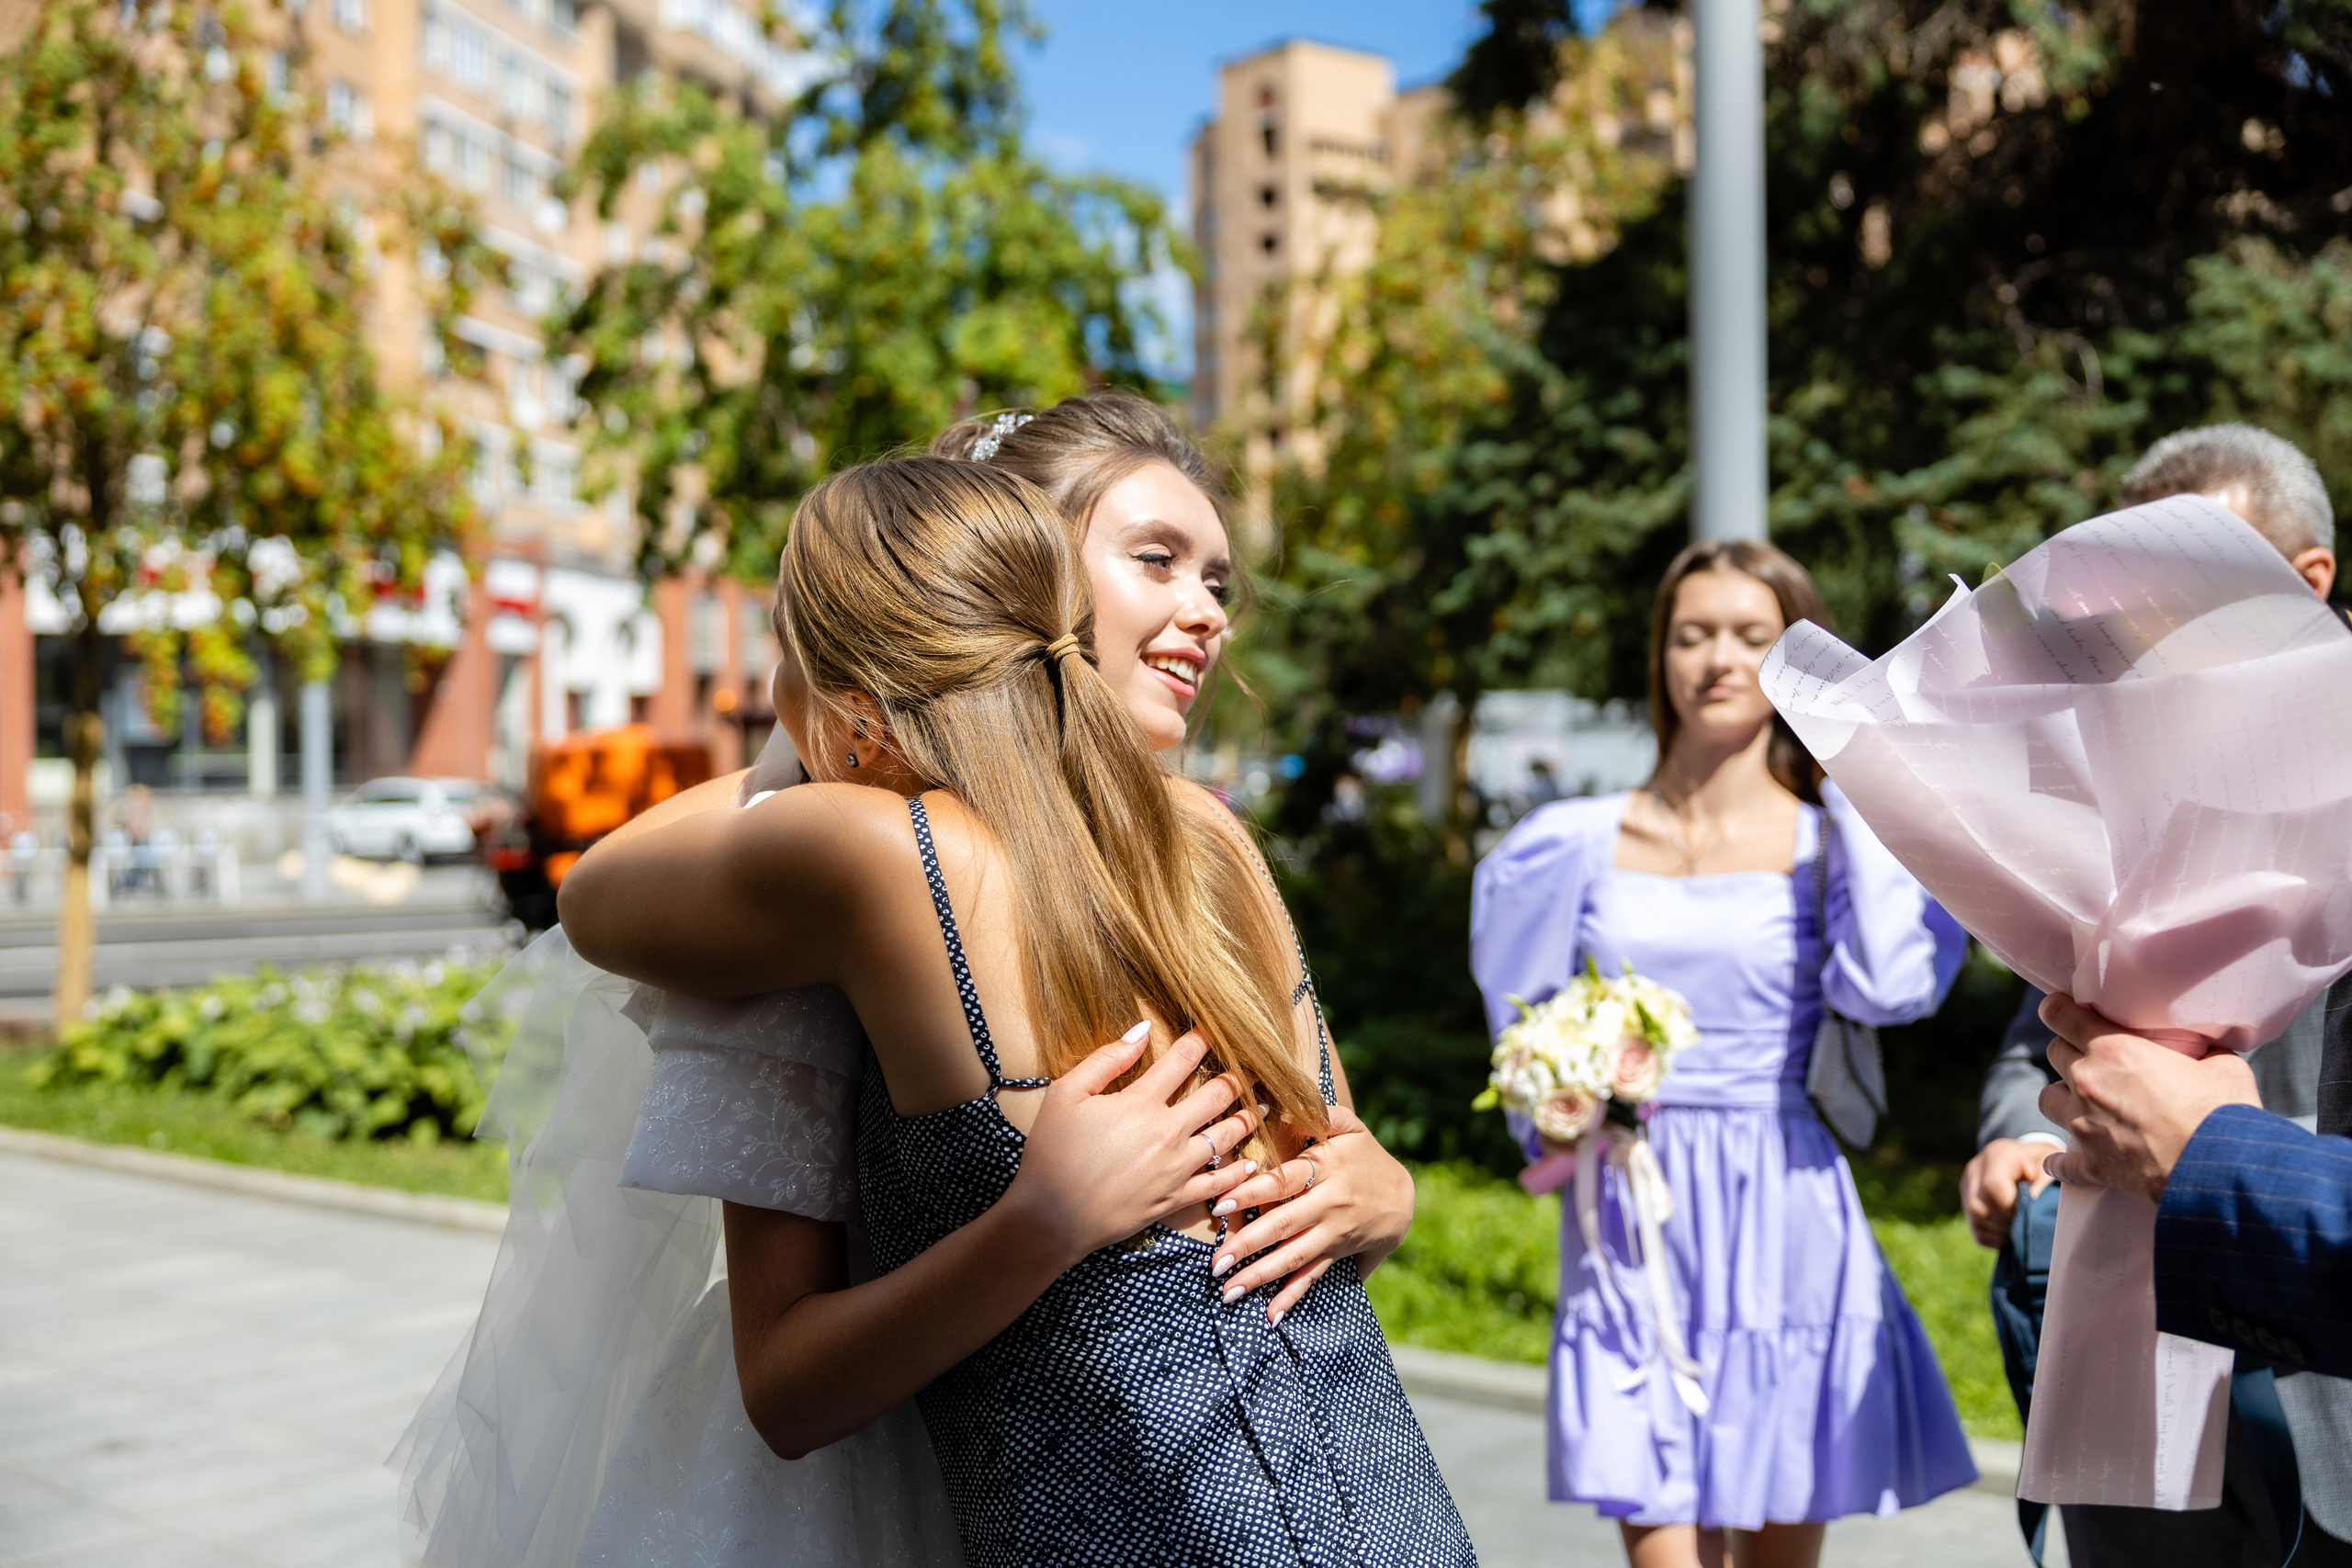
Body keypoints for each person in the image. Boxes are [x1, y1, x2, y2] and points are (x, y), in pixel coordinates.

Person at [395, 396, 1419, 1567]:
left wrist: (1380, 1195)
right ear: (1010, 555)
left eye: (1218, 581)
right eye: (1157, 561)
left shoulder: (1201, 847)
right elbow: (786, 1379)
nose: (1206, 615)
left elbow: (1315, 1190)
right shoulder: (877, 870)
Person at [1471, 538, 1973, 1568]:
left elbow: (1888, 987)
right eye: (1691, 634)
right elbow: (1515, 1026)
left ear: (1794, 661)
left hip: (1782, 1204)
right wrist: (1556, 1100)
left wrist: (1859, 784)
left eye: (1753, 637)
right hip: (1628, 1216)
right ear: (1659, 654)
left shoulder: (1831, 839)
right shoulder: (1569, 841)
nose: (1717, 660)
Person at [1958, 423, 2352, 1567]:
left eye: (2186, 597)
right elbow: (2026, 1038)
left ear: (2307, 579)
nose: (2148, 644)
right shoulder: (2111, 779)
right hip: (2136, 1376)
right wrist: (2008, 1137)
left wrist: (2216, 1153)